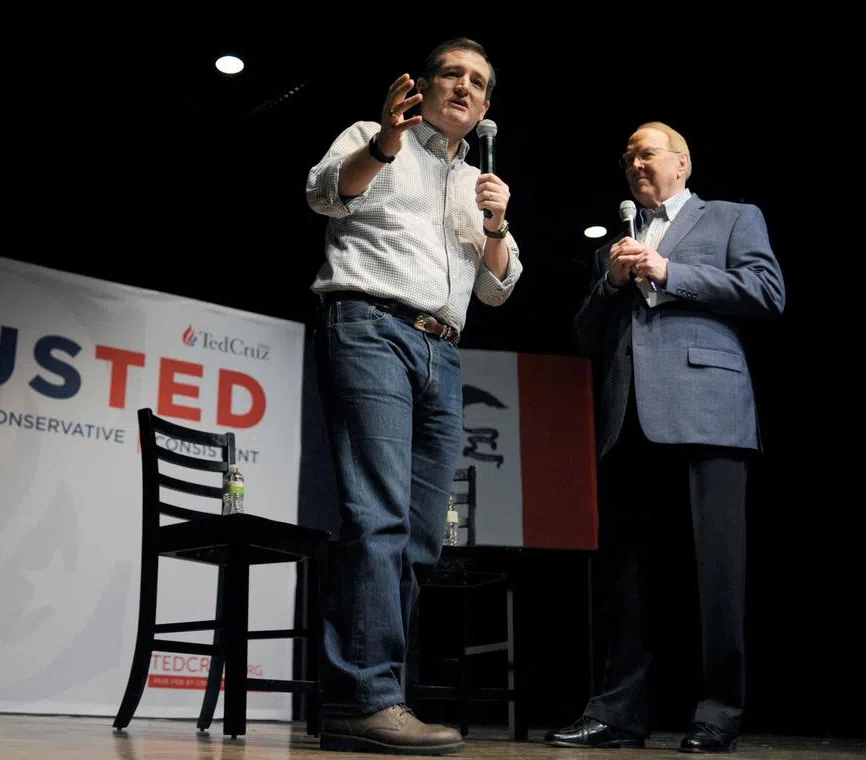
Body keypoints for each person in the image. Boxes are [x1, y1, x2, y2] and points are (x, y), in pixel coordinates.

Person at [305, 37, 522, 755]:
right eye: (452, 74)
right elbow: (324, 194)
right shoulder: (373, 136)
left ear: (486, 107)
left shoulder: (478, 184)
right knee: (377, 514)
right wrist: (389, 144)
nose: (464, 86)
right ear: (422, 87)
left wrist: (495, 223)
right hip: (371, 325)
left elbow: (497, 285)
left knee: (424, 535)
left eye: (478, 82)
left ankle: (374, 694)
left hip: (446, 351)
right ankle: (363, 695)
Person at [546, 122, 786, 753]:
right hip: (629, 417)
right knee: (627, 578)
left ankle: (717, 711)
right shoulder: (613, 247)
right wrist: (612, 285)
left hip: (709, 409)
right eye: (626, 157)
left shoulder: (732, 218)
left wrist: (669, 270)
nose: (634, 163)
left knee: (716, 571)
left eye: (645, 152)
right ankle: (619, 712)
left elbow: (767, 291)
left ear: (681, 162)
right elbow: (585, 333)